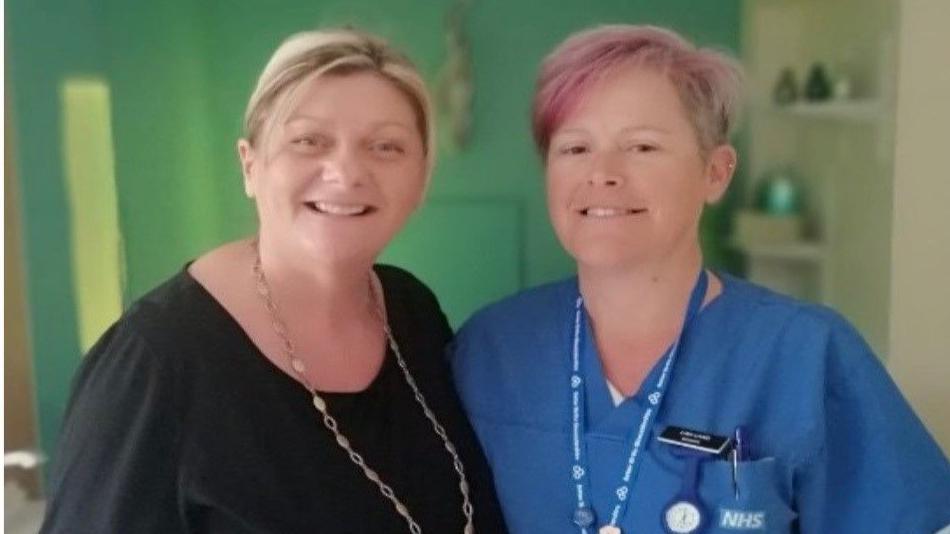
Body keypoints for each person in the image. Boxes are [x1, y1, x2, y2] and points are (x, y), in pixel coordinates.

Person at [450, 24, 950, 534]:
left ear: (716, 172)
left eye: (642, 147)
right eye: (575, 149)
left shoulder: (804, 353)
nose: (602, 173)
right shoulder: (492, 350)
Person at [41, 28, 506, 534]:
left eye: (385, 146)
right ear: (250, 165)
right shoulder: (156, 360)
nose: (346, 171)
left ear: (420, 179)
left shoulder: (412, 310)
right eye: (309, 140)